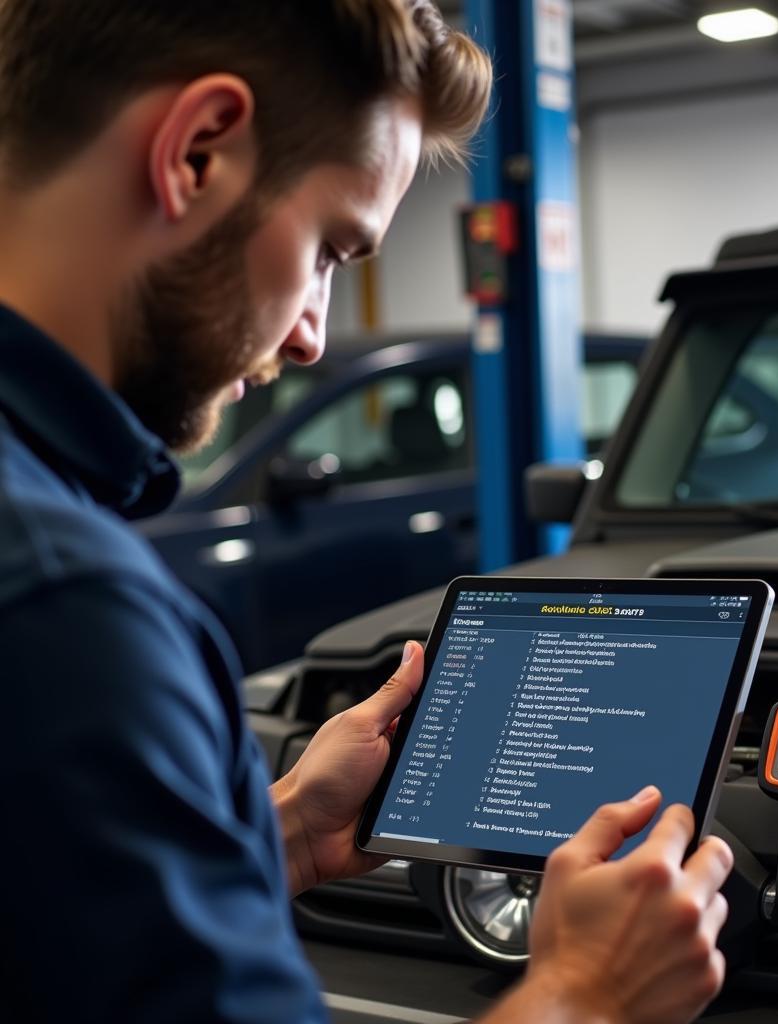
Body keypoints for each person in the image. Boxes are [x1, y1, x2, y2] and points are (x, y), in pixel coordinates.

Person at [0, 2, 733, 1022]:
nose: (311, 335)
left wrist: (285, 830)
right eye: (334, 250)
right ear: (197, 153)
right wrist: (586, 994)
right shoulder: (67, 609)